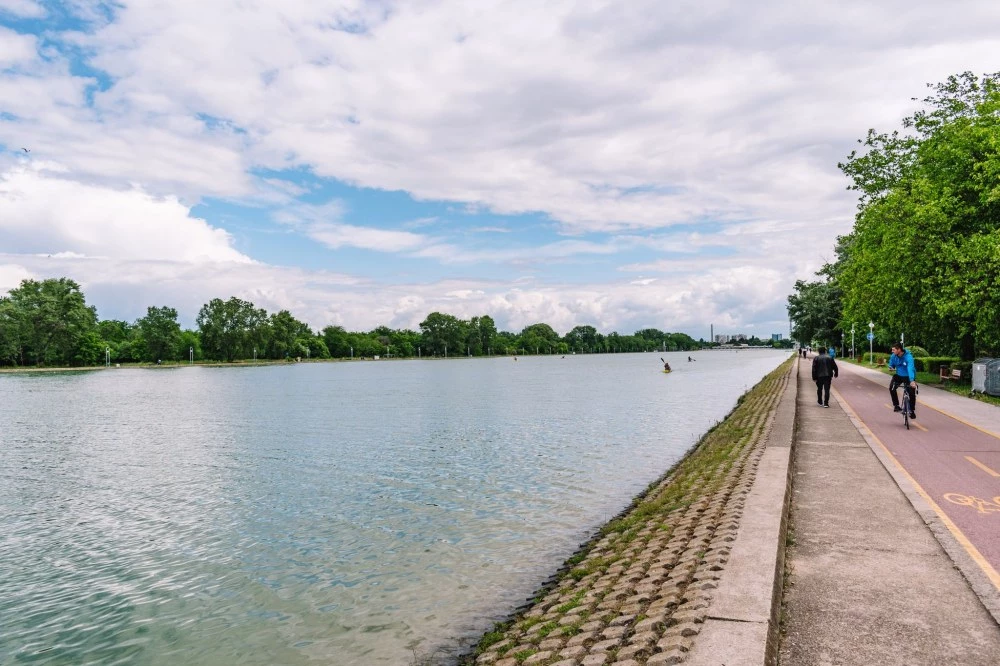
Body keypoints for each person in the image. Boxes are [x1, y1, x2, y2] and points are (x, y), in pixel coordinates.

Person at [888, 342, 917, 419]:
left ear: (899, 349)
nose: (892, 351)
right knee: (891, 388)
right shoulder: (894, 356)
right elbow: (891, 363)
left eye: (894, 350)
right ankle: (896, 405)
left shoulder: (909, 357)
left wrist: (912, 381)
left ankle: (912, 410)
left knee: (911, 392)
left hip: (908, 376)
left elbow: (910, 369)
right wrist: (891, 367)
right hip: (899, 376)